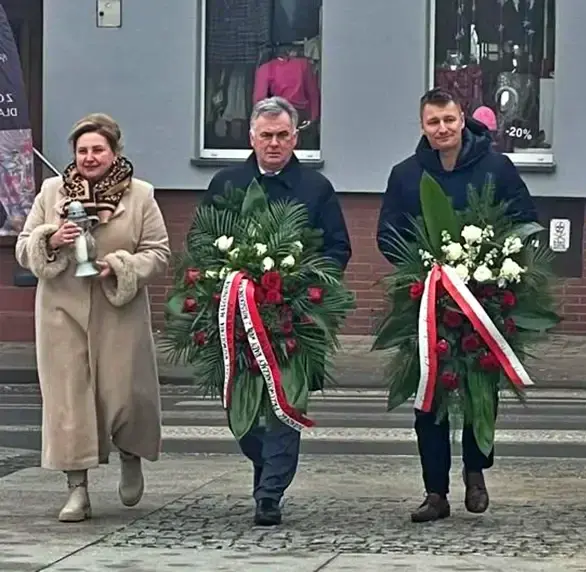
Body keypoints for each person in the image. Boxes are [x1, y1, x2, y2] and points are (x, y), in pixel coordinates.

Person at [376, 88, 538, 523]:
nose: (443, 128)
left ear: (462, 119)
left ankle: (475, 471)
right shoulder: (406, 174)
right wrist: (421, 264)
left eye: (449, 119)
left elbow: (524, 218)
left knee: (478, 388)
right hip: (427, 298)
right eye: (434, 122)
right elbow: (388, 233)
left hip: (485, 297)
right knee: (429, 391)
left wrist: (495, 260)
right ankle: (435, 491)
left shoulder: (496, 168)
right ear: (422, 126)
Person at [202, 96, 351, 527]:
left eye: (282, 135)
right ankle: (264, 467)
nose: (274, 143)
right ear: (251, 137)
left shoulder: (316, 188)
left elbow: (338, 248)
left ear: (295, 138)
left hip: (293, 318)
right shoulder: (226, 184)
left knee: (286, 405)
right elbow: (201, 241)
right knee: (244, 413)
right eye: (266, 135)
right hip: (236, 317)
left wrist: (308, 286)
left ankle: (269, 494)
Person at [15, 113, 171, 522]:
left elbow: (158, 253)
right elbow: (23, 246)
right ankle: (77, 490)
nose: (89, 157)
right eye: (82, 150)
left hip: (118, 311)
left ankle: (131, 454)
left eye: (98, 149)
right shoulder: (52, 192)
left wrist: (121, 266)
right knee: (69, 401)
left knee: (125, 395)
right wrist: (50, 239)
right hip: (61, 312)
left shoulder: (141, 195)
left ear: (114, 152)